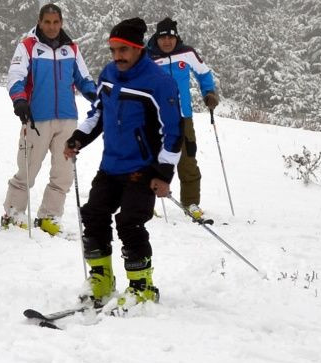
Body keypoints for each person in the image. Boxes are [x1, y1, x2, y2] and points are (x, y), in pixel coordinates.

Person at [64, 17, 183, 308]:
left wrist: (164, 173)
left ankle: (142, 287)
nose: (117, 56)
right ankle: (102, 278)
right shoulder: (109, 73)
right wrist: (78, 137)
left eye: (123, 50)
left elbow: (174, 131)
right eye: (113, 50)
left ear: (139, 48)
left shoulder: (159, 82)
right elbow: (99, 113)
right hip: (111, 165)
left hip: (142, 169)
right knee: (93, 214)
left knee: (129, 222)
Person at [2, 3, 97, 235]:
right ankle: (13, 213)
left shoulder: (72, 49)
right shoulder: (27, 46)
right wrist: (19, 100)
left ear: (61, 22)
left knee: (63, 172)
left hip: (67, 119)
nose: (52, 27)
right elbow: (15, 77)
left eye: (56, 22)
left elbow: (83, 78)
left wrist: (95, 94)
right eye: (47, 22)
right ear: (40, 21)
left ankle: (49, 216)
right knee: (28, 169)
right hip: (36, 118)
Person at [146, 17, 219, 219]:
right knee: (151, 159)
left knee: (187, 160)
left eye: (170, 37)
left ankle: (191, 203)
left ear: (176, 37)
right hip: (156, 118)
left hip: (183, 117)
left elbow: (204, 74)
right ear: (156, 39)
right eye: (163, 38)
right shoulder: (147, 58)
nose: (167, 42)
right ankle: (146, 203)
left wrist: (209, 93)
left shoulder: (187, 53)